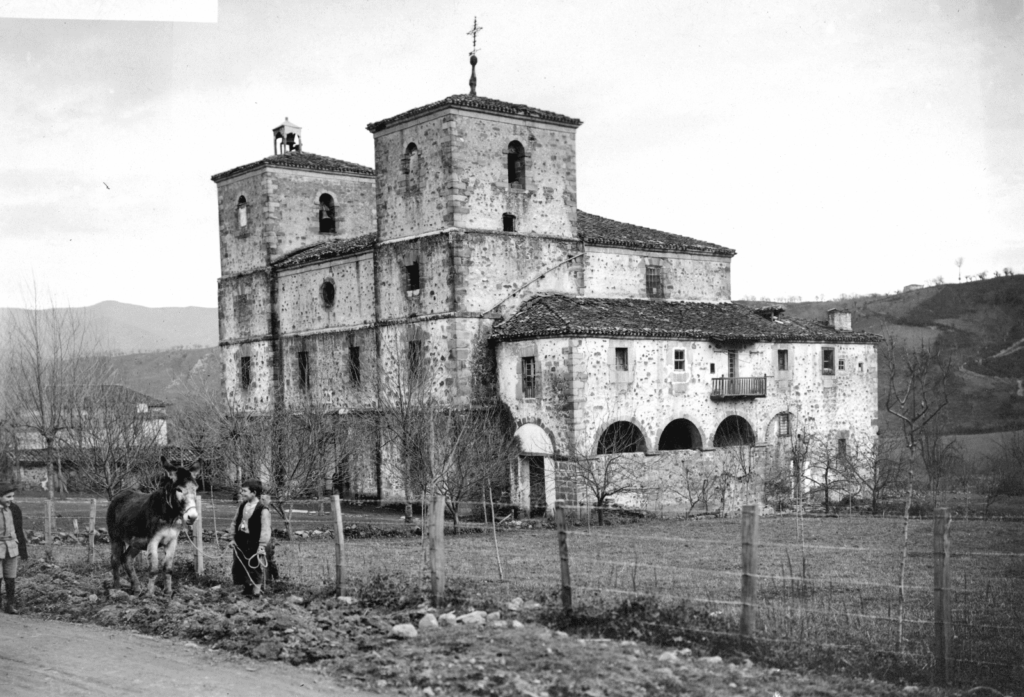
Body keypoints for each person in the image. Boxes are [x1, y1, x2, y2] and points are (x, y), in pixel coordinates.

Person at [229, 479, 271, 598]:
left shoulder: (263, 509)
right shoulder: (243, 505)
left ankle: (256, 592)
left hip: (254, 541)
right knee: (240, 565)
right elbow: (235, 521)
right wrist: (232, 538)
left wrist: (262, 546)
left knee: (254, 566)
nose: (242, 493)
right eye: (241, 490)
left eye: (244, 491)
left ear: (254, 492)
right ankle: (247, 588)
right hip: (241, 540)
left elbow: (266, 529)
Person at [0, 482, 29, 615]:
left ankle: (10, 604)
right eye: (8, 497)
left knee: (10, 576)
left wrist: (23, 551)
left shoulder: (14, 509)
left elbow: (19, 530)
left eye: (12, 496)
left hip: (11, 547)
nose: (11, 499)